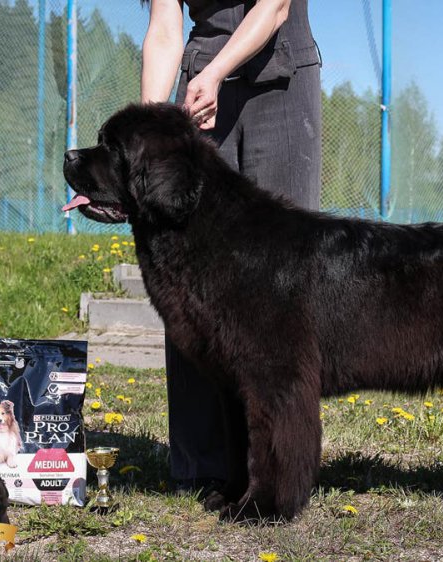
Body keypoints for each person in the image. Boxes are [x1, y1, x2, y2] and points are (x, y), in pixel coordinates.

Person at [140, 0, 322, 494]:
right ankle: (201, 465)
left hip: (280, 78)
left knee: (281, 281)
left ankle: (278, 468)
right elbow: (164, 26)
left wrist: (218, 72)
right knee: (188, 276)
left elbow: (277, 8)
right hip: (200, 83)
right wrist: (153, 127)